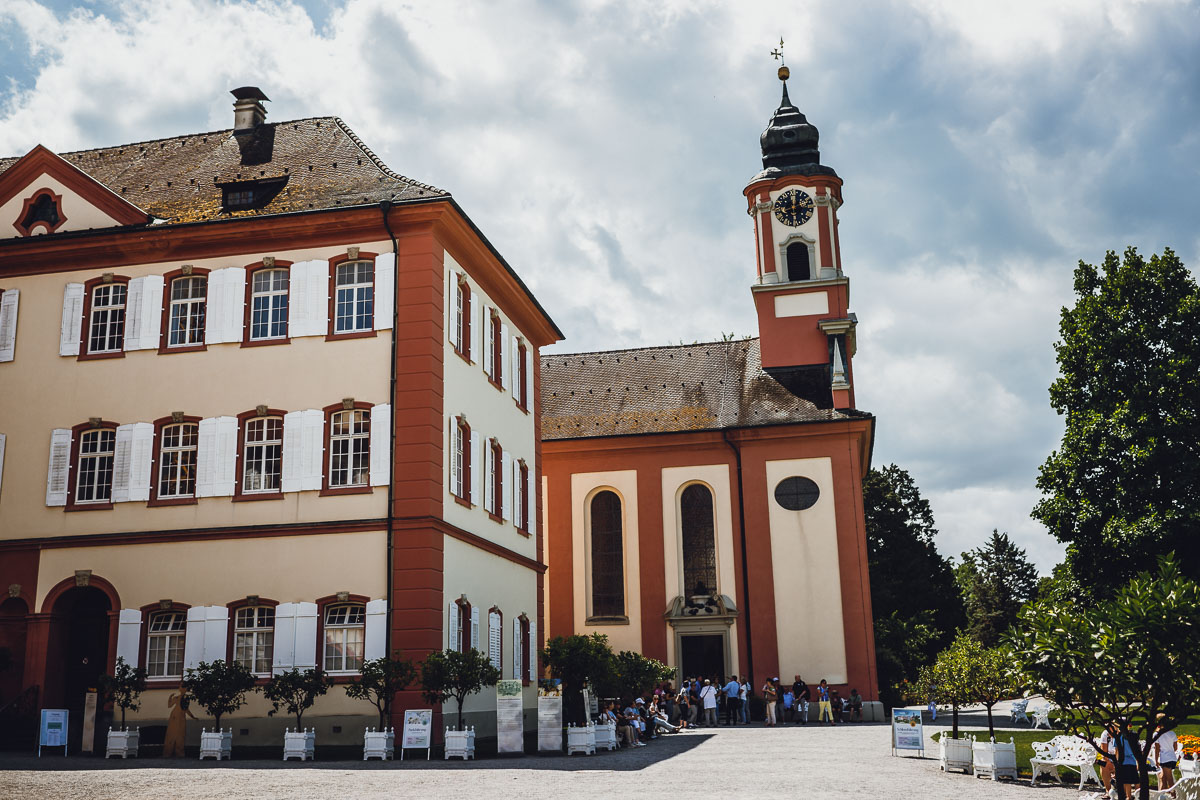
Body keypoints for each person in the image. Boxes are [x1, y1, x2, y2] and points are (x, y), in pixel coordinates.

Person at [1113, 718, 1143, 800]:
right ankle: (1138, 796)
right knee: (1136, 780)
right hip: (1132, 760)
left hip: (1123, 761)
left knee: (1126, 781)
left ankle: (1128, 796)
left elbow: (1117, 752)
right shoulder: (1132, 736)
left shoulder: (1118, 737)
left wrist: (1116, 764)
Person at [163, 686, 196, 758]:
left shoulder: (186, 698)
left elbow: (186, 709)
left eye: (184, 687)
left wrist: (192, 716)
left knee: (181, 735)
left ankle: (179, 753)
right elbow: (169, 705)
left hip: (181, 718)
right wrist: (170, 697)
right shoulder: (176, 698)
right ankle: (168, 752)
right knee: (172, 734)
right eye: (181, 687)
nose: (182, 689)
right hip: (174, 717)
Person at [1155, 714, 1179, 792]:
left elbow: (1157, 749)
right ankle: (1161, 794)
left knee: (1169, 779)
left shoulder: (1157, 735)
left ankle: (1173, 795)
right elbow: (1175, 748)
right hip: (1172, 758)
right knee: (1163, 777)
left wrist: (1156, 760)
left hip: (1165, 759)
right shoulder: (1172, 733)